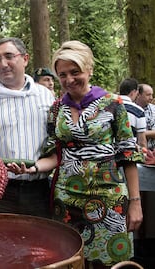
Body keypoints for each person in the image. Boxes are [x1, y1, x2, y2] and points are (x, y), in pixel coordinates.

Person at [12, 40, 143, 268]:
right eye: (62, 75)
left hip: (108, 201)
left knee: (110, 262)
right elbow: (55, 155)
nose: (69, 80)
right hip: (67, 200)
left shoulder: (112, 104)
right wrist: (32, 167)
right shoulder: (56, 109)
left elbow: (128, 155)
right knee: (71, 261)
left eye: (75, 72)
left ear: (89, 70)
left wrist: (135, 202)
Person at [0, 37, 55, 217]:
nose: (3, 64)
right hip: (0, 193)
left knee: (40, 241)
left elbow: (54, 141)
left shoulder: (45, 96)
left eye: (9, 56)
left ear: (25, 59)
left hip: (38, 191)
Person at [119, 78, 147, 148]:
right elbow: (142, 141)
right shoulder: (138, 111)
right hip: (128, 152)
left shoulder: (107, 106)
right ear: (133, 92)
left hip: (107, 152)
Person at [135, 83, 155, 150]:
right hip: (135, 153)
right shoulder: (130, 110)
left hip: (154, 152)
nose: (151, 98)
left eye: (152, 94)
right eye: (148, 95)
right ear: (138, 94)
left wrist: (141, 133)